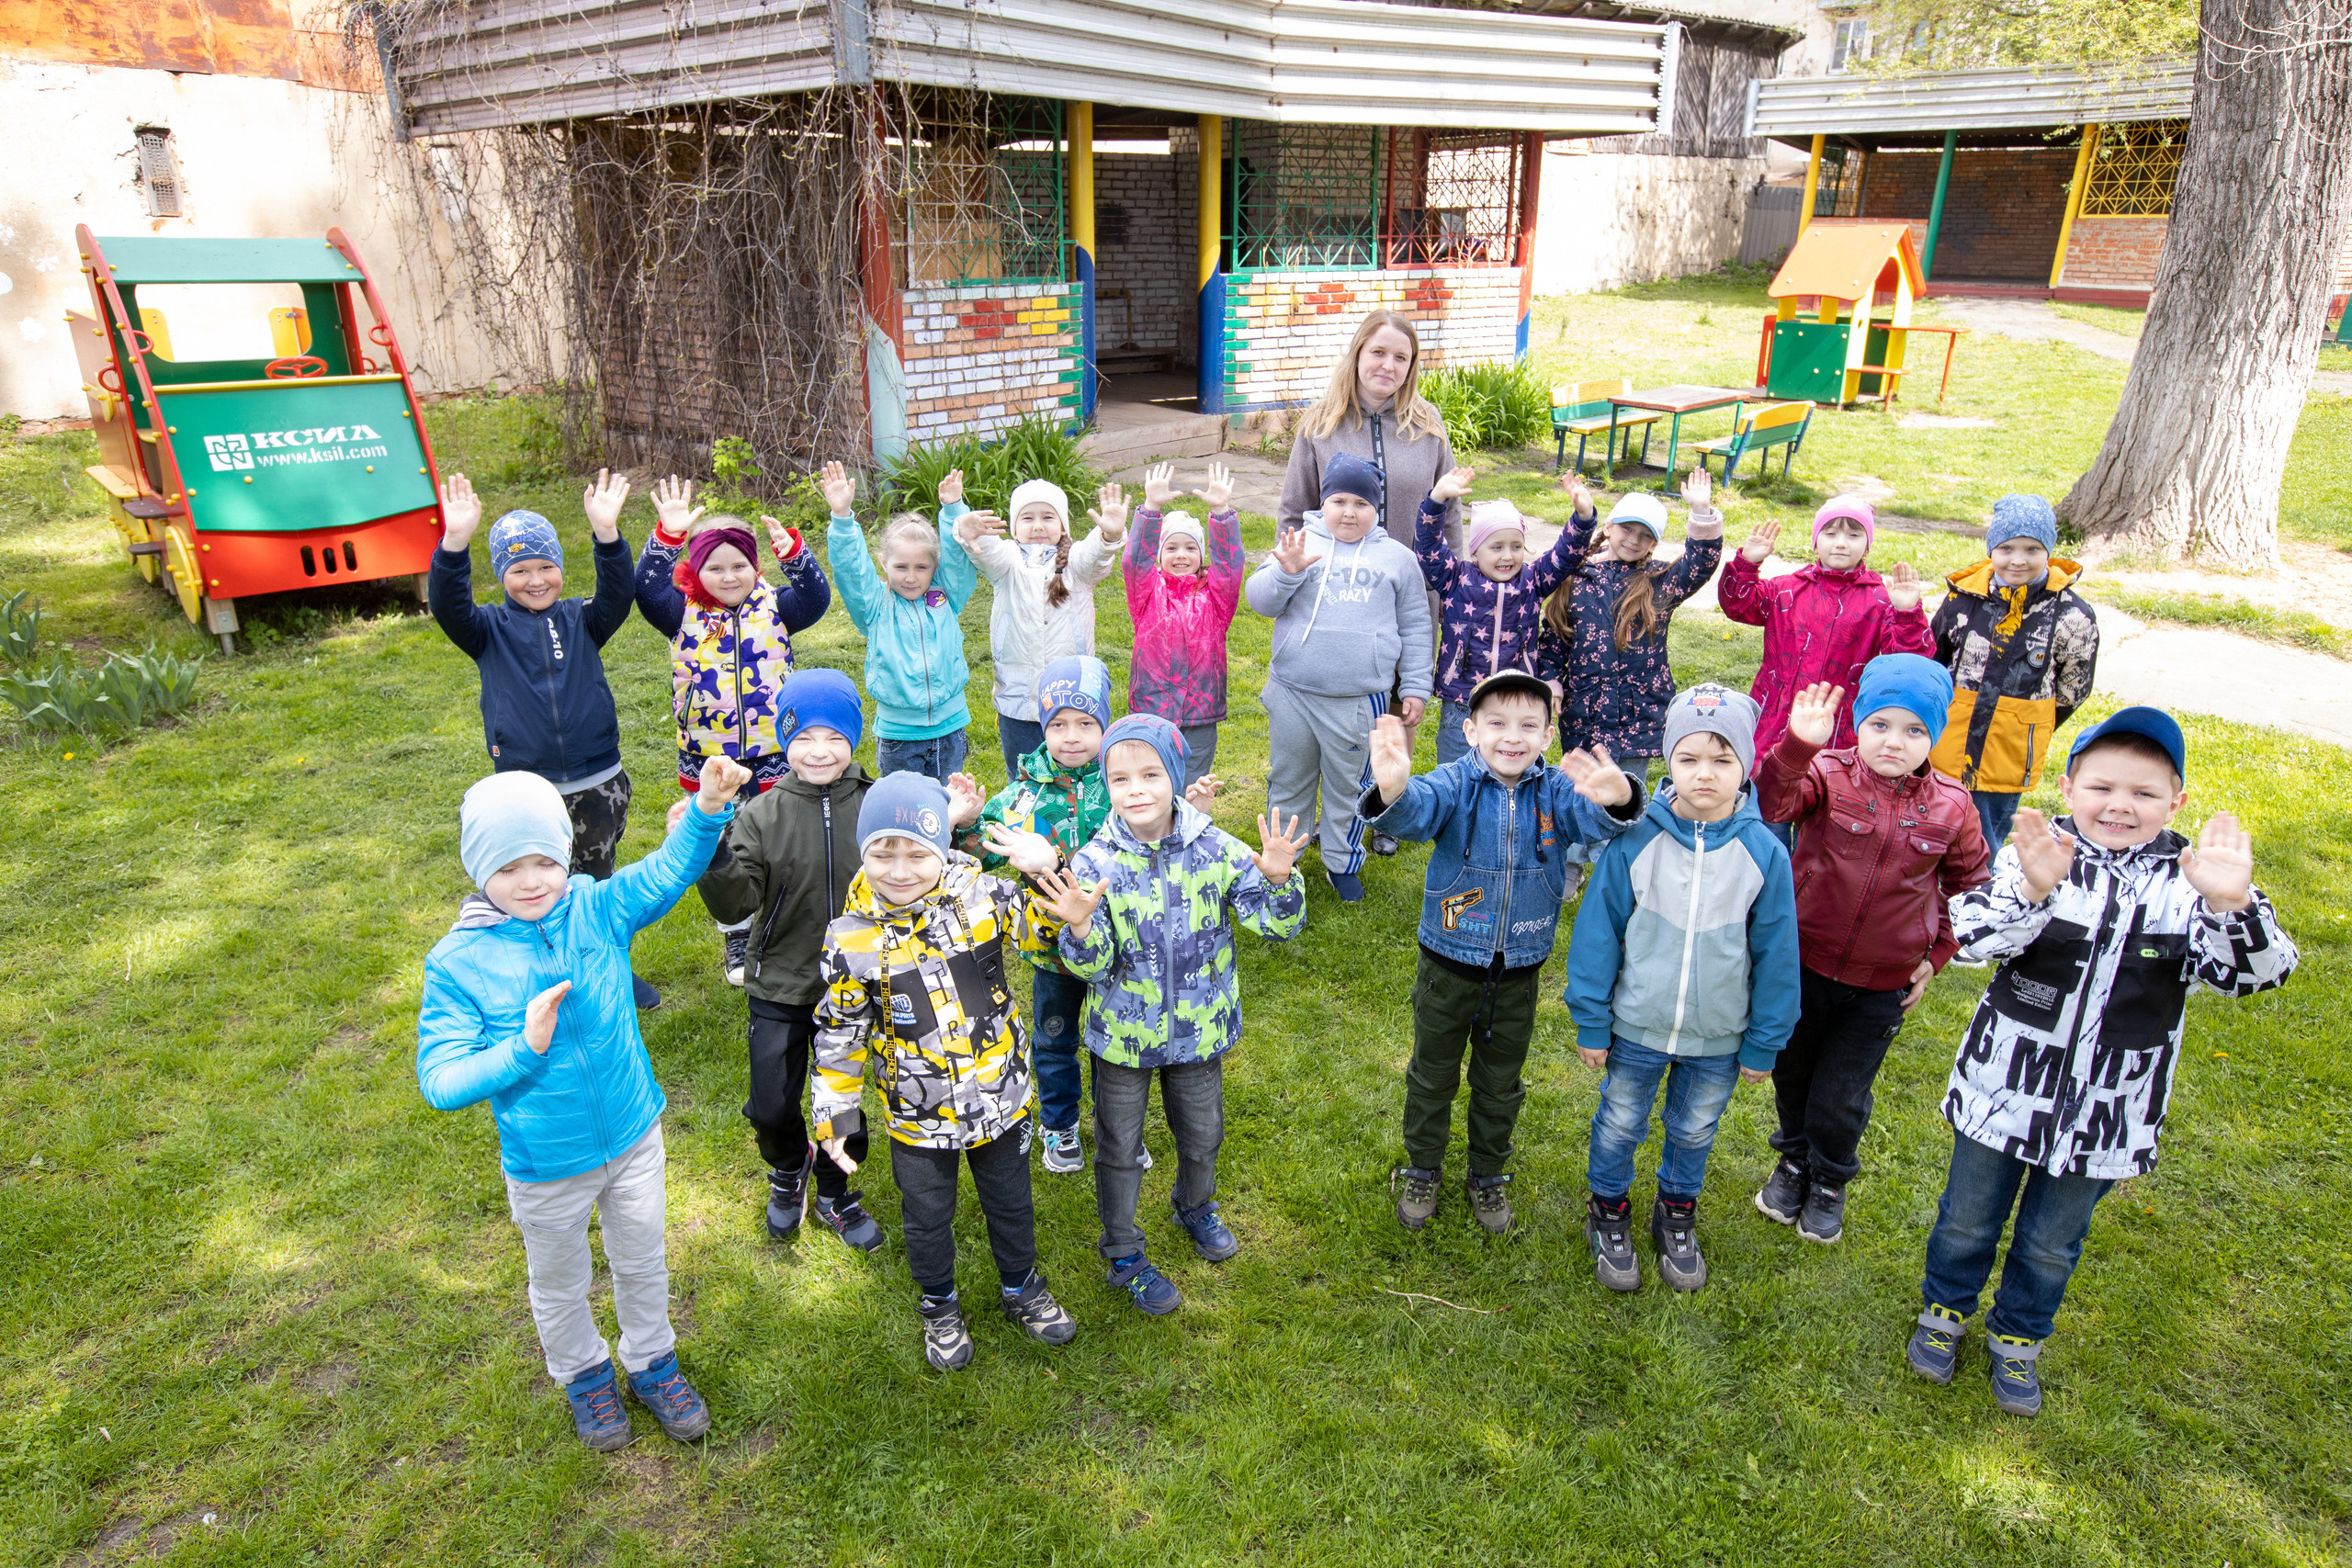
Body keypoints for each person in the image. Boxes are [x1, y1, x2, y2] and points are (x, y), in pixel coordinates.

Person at [1906, 707, 2298, 1417]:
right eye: (2103, 787)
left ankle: (2020, 1337)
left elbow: (2255, 976)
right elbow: (1969, 938)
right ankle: (1944, 1310)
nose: (2120, 805)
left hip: (2107, 1114)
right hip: (2003, 1094)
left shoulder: (2191, 884)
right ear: (2069, 785)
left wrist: (2232, 901)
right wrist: (2032, 889)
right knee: (1967, 1218)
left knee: (2052, 1241)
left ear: (2176, 802)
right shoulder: (2037, 854)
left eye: (2144, 794)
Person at [414, 755, 751, 1451]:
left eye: (543, 860)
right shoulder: (458, 961)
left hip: (632, 1134)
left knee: (642, 1259)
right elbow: (441, 1080)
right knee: (561, 1283)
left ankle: (652, 1359)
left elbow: (665, 870)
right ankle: (584, 1374)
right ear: (480, 871)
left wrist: (709, 809)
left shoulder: (595, 907)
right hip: (546, 1164)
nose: (531, 881)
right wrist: (521, 1048)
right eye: (509, 868)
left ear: (566, 854)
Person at [809, 773, 1080, 1372]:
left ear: (942, 848)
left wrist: (1051, 874)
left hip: (999, 1097)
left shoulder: (982, 896)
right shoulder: (851, 939)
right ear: (863, 851)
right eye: (884, 852)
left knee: (1010, 1202)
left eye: (916, 852)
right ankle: (939, 1304)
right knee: (927, 1215)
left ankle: (1022, 1288)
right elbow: (839, 1033)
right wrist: (836, 1116)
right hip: (917, 1115)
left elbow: (1050, 931)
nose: (900, 868)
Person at [1045, 716, 1311, 1316]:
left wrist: (1279, 879)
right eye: (1119, 778)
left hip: (1200, 1030)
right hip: (1124, 1037)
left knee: (1203, 1132)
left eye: (1149, 774)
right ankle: (1123, 1251)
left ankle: (1195, 1205)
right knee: (1118, 1144)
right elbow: (1090, 965)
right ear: (1106, 784)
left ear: (1176, 775)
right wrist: (1082, 925)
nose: (1135, 789)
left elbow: (1277, 923)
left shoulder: (1216, 847)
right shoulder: (1094, 864)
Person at [1363, 671, 1645, 1235]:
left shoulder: (1557, 791)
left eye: (1527, 726)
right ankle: (1423, 1167)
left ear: (1547, 735)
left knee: (1501, 1082)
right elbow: (1418, 811)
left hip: (1519, 970)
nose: (1511, 737)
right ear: (1470, 730)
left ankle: (1488, 1174)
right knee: (1432, 1074)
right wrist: (1394, 789)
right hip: (1448, 965)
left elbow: (1597, 821)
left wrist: (1618, 797)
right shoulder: (1453, 782)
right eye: (1496, 723)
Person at [1564, 683, 1800, 1294]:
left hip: (1718, 1037)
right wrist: (1592, 1020)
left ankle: (1676, 1211)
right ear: (1669, 760)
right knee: (1621, 1119)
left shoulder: (1765, 854)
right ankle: (1608, 1209)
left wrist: (1764, 1042)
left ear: (1745, 765)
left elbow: (1779, 956)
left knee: (1693, 1129)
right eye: (1690, 758)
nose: (1705, 774)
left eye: (1722, 761)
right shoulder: (1636, 839)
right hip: (1636, 1025)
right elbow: (1597, 935)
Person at [696, 669, 943, 1254]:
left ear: (854, 740)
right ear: (784, 741)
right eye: (803, 736)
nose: (819, 751)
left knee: (844, 1098)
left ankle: (835, 1189)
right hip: (782, 982)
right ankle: (788, 1167)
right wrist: (711, 855)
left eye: (834, 736)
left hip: (862, 986)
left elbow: (926, 868)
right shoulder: (761, 815)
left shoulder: (878, 802)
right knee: (771, 1102)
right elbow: (737, 901)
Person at [1750, 658, 1991, 1246]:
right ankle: (1793, 1162)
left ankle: (1830, 1180)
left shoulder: (1953, 806)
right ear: (1858, 722)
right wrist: (1796, 749)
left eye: (1914, 731)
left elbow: (1972, 892)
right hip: (1803, 963)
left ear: (1934, 737)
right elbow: (1772, 805)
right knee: (1793, 1071)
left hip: (1882, 983)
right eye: (1880, 724)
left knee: (1842, 1091)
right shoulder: (1828, 774)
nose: (1894, 742)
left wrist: (1934, 959)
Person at [429, 469, 660, 1010]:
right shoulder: (485, 630)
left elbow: (619, 593)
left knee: (595, 885)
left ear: (560, 567)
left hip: (598, 780)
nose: (536, 580)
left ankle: (610, 969)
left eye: (546, 567)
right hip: (526, 791)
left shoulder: (583, 619)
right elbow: (447, 603)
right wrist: (455, 542)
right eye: (520, 570)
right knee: (532, 890)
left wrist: (607, 534)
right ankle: (543, 977)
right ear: (501, 576)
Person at [632, 475, 833, 983]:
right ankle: (737, 931)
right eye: (714, 568)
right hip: (711, 758)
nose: (728, 576)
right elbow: (646, 589)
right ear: (695, 572)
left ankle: (785, 918)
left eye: (738, 565)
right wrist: (667, 537)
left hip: (773, 751)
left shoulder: (777, 607)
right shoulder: (680, 611)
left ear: (755, 566)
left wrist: (796, 556)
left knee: (779, 837)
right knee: (725, 845)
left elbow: (816, 600)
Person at [1277, 309, 1462, 844]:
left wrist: (1449, 582)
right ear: (1358, 353)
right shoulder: (1320, 424)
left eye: (1400, 357)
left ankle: (1383, 808)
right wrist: (1294, 576)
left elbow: (1447, 511)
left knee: (1401, 701)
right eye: (1378, 352)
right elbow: (1295, 511)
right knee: (1331, 699)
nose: (1388, 365)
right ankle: (1307, 813)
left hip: (1410, 588)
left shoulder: (1427, 427)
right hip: (1337, 592)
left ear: (1412, 366)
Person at [1245, 453, 1434, 902]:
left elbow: (1416, 626)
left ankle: (1341, 861)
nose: (1349, 512)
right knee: (1289, 777)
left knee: (1350, 784)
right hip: (1293, 691)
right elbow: (1260, 600)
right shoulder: (1298, 543)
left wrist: (1415, 685)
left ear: (1377, 509)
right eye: (1339, 501)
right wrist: (1287, 573)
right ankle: (1281, 857)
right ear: (1322, 503)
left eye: (1362, 504)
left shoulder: (1398, 559)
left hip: (1357, 700)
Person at [1928, 493, 2101, 852]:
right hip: (1946, 743)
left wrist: (2028, 723)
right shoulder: (1962, 600)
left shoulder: (2072, 615)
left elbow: (2074, 688)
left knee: (1981, 843)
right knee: (1928, 833)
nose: (2018, 560)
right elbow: (1934, 659)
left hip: (2005, 757)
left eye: (2032, 549)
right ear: (1991, 549)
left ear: (2048, 552)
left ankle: (1977, 902)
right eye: (2006, 548)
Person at [1537, 475, 1726, 782]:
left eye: (1645, 535)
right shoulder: (1577, 577)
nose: (1634, 540)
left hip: (1637, 722)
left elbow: (1700, 564)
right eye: (1627, 528)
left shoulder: (1658, 581)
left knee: (1626, 801)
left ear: (1654, 543)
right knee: (1582, 801)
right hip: (1585, 714)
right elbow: (1556, 638)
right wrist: (1550, 680)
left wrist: (1702, 511)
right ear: (1609, 527)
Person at [1715, 496, 1934, 756]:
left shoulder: (1880, 600)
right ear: (1816, 543)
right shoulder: (1787, 589)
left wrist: (1906, 613)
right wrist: (1747, 564)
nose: (1840, 543)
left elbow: (1909, 661)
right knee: (1767, 782)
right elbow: (1738, 605)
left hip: (1839, 723)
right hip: (1776, 715)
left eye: (1853, 535)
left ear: (1867, 547)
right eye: (1830, 534)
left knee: (1827, 786)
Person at [944, 468, 1121, 777]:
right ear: (1014, 527)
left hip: (1072, 699)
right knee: (1024, 778)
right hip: (1018, 701)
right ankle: (1026, 825)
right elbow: (983, 547)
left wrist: (1110, 535)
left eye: (1048, 517)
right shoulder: (1007, 561)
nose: (1038, 525)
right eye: (1028, 518)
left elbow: (1096, 555)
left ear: (1063, 525)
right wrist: (961, 516)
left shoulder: (1076, 564)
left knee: (1075, 775)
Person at [1414, 469, 1595, 769]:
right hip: (1463, 702)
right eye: (1496, 547)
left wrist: (1583, 516)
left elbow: (1566, 554)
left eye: (1516, 546)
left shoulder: (1533, 581)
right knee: (1457, 780)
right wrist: (1436, 500)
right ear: (1476, 550)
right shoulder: (1455, 579)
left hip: (1516, 703)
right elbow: (1429, 547)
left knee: (1513, 779)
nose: (1507, 556)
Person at [823, 461, 978, 782]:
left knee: (949, 810)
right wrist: (841, 518)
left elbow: (959, 561)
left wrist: (952, 511)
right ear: (884, 563)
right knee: (904, 817)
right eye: (901, 567)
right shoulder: (874, 605)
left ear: (935, 567)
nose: (911, 577)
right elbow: (852, 570)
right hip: (899, 736)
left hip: (951, 728)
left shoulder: (947, 597)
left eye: (922, 567)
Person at [1124, 461, 1246, 785]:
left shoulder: (1216, 598)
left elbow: (1230, 565)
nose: (1182, 554)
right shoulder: (1146, 593)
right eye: (1172, 547)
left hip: (1200, 715)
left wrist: (1221, 512)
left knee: (1192, 786)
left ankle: (1187, 832)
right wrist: (1151, 509)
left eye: (1191, 547)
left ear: (1201, 555)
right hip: (1152, 710)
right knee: (1151, 781)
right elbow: (1134, 559)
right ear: (1158, 554)